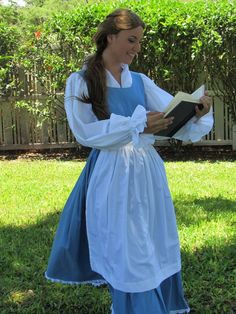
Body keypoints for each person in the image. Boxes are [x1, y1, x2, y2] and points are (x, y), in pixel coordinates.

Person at [45, 8, 213, 314]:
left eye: (139, 41)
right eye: (131, 40)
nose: (136, 48)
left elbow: (171, 117)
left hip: (146, 170)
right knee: (128, 246)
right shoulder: (80, 80)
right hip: (112, 173)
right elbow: (85, 132)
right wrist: (135, 125)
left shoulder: (139, 81)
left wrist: (195, 113)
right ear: (110, 37)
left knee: (152, 238)